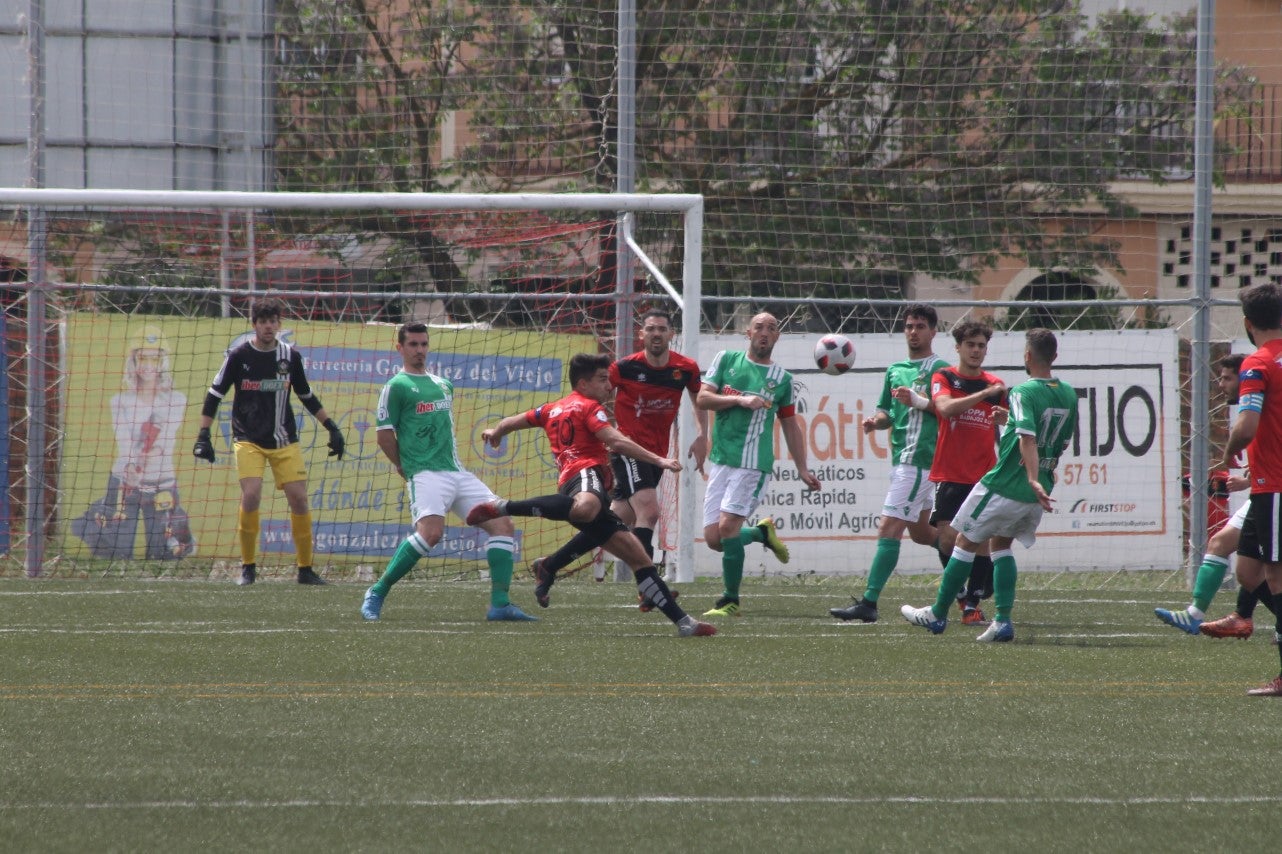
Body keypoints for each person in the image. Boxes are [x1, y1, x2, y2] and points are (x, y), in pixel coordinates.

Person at [468, 353, 717, 638]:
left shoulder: (552, 408)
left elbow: (518, 420)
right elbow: (616, 440)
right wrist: (658, 460)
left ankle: (685, 623)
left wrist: (496, 430)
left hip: (574, 483)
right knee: (586, 508)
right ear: (583, 383)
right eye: (602, 380)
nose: (608, 386)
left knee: (640, 559)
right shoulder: (589, 407)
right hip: (584, 475)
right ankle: (503, 507)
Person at [900, 328, 1078, 642]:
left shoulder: (1024, 391)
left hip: (1006, 484)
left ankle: (938, 613)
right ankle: (1002, 622)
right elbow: (1055, 437)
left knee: (964, 542)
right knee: (1000, 545)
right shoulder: (1068, 394)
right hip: (1035, 494)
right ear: (1055, 357)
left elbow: (1029, 437)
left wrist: (1032, 477)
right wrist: (1008, 422)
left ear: (1027, 356)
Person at [359, 323, 536, 622]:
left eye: (424, 344)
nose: (419, 350)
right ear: (400, 348)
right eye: (413, 345)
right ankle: (377, 591)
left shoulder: (444, 385)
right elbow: (384, 436)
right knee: (431, 534)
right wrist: (404, 466)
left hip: (456, 472)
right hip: (426, 474)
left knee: (503, 525)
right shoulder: (396, 386)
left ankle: (500, 604)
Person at [192, 297, 345, 586]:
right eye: (263, 322)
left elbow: (306, 395)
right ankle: (248, 567)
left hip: (284, 439)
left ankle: (305, 570)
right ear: (254, 325)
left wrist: (331, 427)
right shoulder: (238, 356)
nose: (268, 327)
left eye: (272, 321)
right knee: (251, 494)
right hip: (247, 438)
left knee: (299, 498)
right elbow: (215, 394)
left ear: (279, 324)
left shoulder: (290, 357)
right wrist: (204, 434)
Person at [696, 311, 822, 618]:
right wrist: (739, 400)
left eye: (772, 328)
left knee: (727, 528)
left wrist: (802, 468)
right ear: (748, 334)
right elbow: (702, 398)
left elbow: (791, 425)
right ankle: (762, 534)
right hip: (723, 460)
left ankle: (730, 600)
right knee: (715, 539)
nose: (765, 332)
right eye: (759, 327)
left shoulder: (782, 380)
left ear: (777, 337)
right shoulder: (726, 361)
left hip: (754, 465)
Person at [829, 304, 948, 623]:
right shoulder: (895, 369)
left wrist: (920, 402)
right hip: (903, 460)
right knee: (925, 534)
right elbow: (887, 412)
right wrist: (875, 421)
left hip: (919, 460)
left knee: (888, 527)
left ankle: (869, 603)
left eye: (921, 326)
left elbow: (949, 411)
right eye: (909, 325)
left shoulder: (942, 370)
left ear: (934, 332)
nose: (914, 331)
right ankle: (968, 583)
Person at [1155, 354, 1272, 637]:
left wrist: (1237, 462)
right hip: (1264, 492)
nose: (1221, 385)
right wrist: (1247, 479)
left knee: (1262, 569)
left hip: (1273, 495)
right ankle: (1209, 615)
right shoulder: (1255, 410)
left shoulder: (1261, 413)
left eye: (1227, 378)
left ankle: (1238, 617)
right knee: (1234, 555)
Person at [608, 308, 710, 608]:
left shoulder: (685, 368)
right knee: (650, 512)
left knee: (611, 522)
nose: (655, 334)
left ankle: (550, 564)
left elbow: (698, 397)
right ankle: (648, 587)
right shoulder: (624, 368)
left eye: (661, 329)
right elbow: (597, 395)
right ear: (641, 334)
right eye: (650, 329)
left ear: (670, 335)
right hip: (627, 450)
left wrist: (703, 435)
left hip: (657, 455)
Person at [74, 325, 193, 560]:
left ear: (163, 362)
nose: (148, 365)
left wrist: (148, 455)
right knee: (117, 551)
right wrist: (131, 466)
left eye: (155, 358)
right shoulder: (120, 401)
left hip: (161, 482)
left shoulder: (176, 400)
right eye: (142, 358)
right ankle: (93, 518)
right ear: (133, 361)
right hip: (124, 483)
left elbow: (165, 437)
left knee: (164, 552)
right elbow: (124, 439)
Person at [1217, 283, 1282, 695]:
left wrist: (1226, 456)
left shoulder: (1257, 364)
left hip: (1275, 484)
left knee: (1276, 579)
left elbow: (1246, 427)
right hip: (1265, 487)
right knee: (1247, 571)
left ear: (1247, 323)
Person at [926, 320, 1008, 625]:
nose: (976, 351)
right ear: (958, 348)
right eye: (970, 345)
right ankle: (961, 595)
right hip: (949, 472)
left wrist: (1004, 416)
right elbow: (945, 409)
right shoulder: (944, 376)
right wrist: (985, 395)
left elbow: (1010, 422)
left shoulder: (996, 385)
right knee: (946, 539)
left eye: (981, 346)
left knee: (982, 539)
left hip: (985, 475)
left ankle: (972, 604)